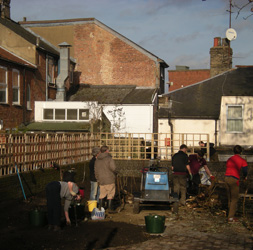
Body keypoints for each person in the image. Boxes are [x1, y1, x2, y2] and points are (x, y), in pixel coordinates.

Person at [225, 145, 248, 223]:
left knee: (229, 197)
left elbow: (227, 166)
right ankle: (231, 217)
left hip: (226, 177)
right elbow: (245, 170)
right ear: (241, 152)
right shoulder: (242, 160)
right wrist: (245, 177)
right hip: (234, 179)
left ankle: (229, 214)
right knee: (234, 199)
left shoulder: (229, 159)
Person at [95, 145, 117, 213]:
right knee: (110, 194)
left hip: (101, 180)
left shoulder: (97, 160)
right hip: (109, 179)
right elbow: (113, 168)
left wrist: (98, 178)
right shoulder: (109, 159)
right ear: (106, 151)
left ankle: (101, 209)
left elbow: (95, 171)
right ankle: (110, 209)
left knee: (102, 194)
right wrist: (116, 172)